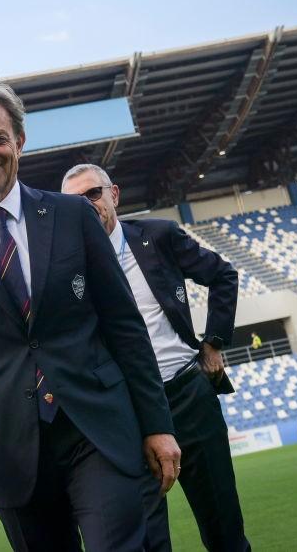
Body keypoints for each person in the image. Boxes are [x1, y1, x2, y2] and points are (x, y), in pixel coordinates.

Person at [0, 83, 180, 552]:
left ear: (20, 142)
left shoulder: (73, 215)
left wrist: (158, 423)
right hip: (6, 446)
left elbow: (124, 325)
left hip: (98, 427)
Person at [62, 163, 251, 552]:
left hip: (188, 394)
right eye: (74, 203)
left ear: (113, 195)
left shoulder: (158, 235)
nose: (87, 206)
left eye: (93, 194)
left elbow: (223, 276)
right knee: (146, 539)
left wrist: (213, 343)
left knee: (224, 528)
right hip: (127, 415)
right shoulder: (66, 268)